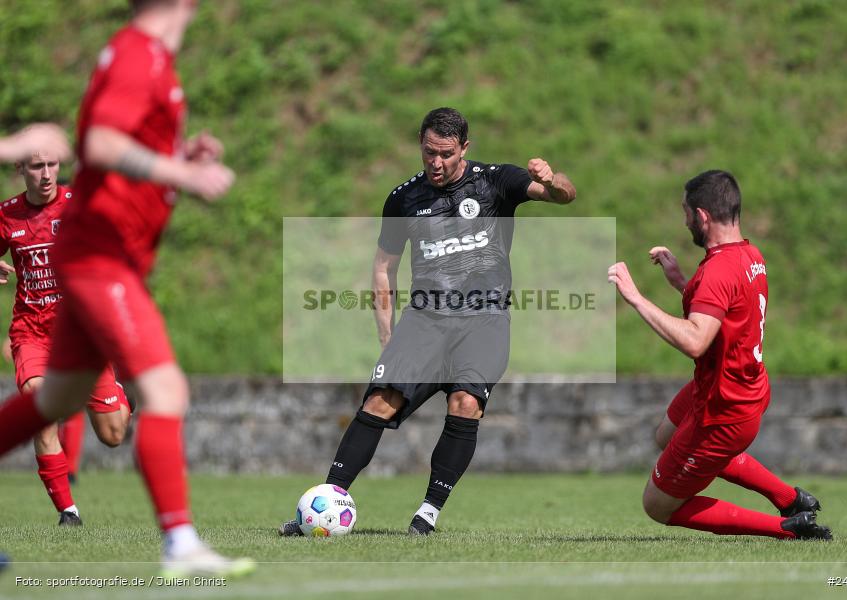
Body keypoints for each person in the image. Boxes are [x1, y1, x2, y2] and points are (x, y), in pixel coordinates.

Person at [0, 0, 253, 577]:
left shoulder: (147, 57)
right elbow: (103, 146)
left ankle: (182, 544)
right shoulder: (141, 55)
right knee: (166, 392)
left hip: (102, 256)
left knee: (56, 403)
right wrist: (179, 173)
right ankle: (182, 544)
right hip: (100, 258)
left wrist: (177, 157)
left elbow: (115, 149)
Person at [280, 107, 576, 537]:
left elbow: (566, 196)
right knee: (378, 403)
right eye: (428, 153)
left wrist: (553, 179)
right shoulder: (403, 199)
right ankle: (322, 507)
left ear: (464, 149)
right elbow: (383, 267)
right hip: (424, 319)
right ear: (420, 142)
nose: (436, 163)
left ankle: (428, 513)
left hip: (484, 319)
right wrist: (387, 334)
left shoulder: (497, 180)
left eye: (446, 154)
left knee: (465, 404)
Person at [607, 169, 831, 540]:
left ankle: (790, 528)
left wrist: (636, 298)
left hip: (723, 409)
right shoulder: (748, 254)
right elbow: (725, 314)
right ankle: (790, 499)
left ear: (703, 216)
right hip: (737, 388)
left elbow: (696, 340)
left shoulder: (717, 270)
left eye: (686, 213)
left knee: (657, 505)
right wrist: (682, 282)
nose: (684, 221)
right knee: (666, 434)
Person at [1, 151, 132, 526]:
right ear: (20, 169)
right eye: (37, 166)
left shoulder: (79, 205)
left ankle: (124, 396)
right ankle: (68, 512)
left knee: (113, 435)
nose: (46, 174)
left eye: (52, 165)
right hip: (32, 333)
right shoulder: (6, 214)